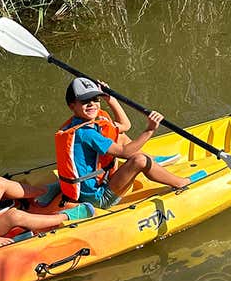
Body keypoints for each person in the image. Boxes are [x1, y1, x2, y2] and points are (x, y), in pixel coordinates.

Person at [52, 77, 190, 208]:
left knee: (120, 136)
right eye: (84, 101)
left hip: (85, 190)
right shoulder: (87, 133)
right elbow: (125, 153)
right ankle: (180, 183)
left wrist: (111, 99)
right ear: (72, 106)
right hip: (99, 198)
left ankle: (153, 161)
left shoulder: (77, 124)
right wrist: (150, 130)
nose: (92, 104)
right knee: (139, 160)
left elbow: (125, 125)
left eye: (95, 99)